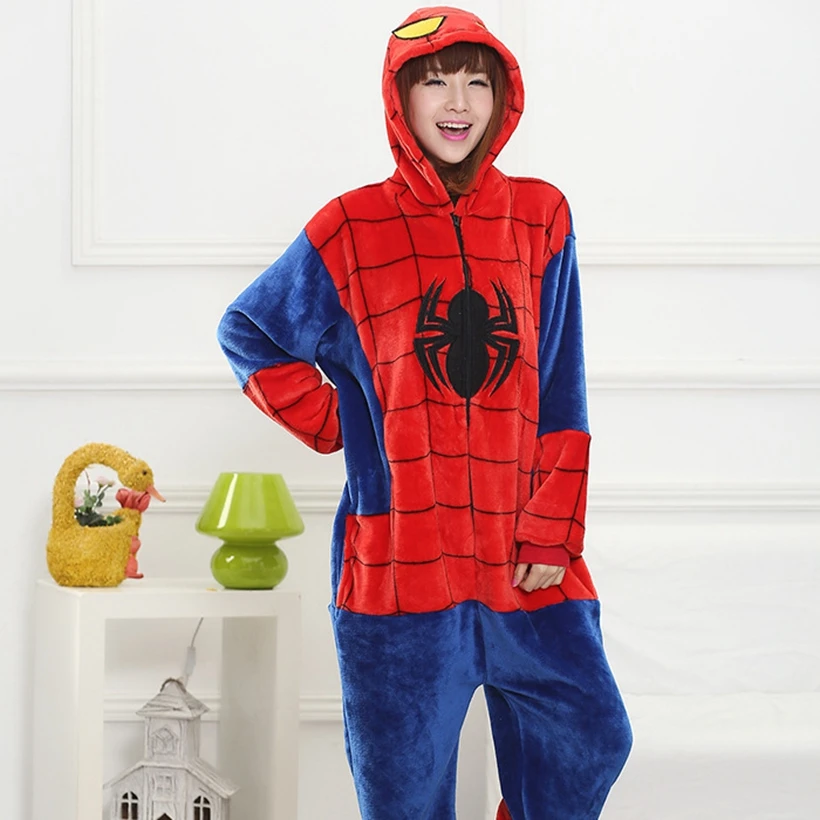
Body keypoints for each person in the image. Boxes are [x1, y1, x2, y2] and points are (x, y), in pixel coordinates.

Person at [217, 7, 632, 819]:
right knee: (403, 791)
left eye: (478, 82)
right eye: (436, 81)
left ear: (503, 98)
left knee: (594, 732)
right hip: (399, 563)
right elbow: (248, 332)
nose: (458, 102)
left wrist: (554, 529)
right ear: (399, 96)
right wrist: (338, 422)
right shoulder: (348, 227)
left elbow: (562, 381)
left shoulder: (540, 216)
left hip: (524, 559)